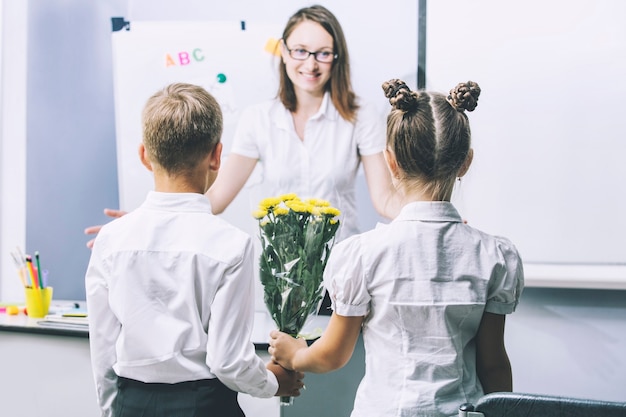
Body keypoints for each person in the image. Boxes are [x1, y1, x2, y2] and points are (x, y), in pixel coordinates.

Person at [267, 79, 525, 417]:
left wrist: (296, 355)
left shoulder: (362, 254)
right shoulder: (494, 256)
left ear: (391, 163)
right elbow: (493, 364)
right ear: (465, 162)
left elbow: (333, 354)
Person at [85, 4, 400, 248]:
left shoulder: (360, 115)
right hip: (283, 278)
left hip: (340, 274)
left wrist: (432, 210)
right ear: (284, 52)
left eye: (323, 53)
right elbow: (216, 199)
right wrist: (148, 221)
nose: (311, 63)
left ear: (337, 57)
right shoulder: (259, 119)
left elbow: (384, 201)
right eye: (301, 51)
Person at [85, 82, 303, 417]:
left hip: (133, 405)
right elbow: (228, 361)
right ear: (217, 156)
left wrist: (112, 411)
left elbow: (103, 352)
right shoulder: (232, 245)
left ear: (144, 155)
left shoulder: (111, 240)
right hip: (205, 406)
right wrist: (274, 382)